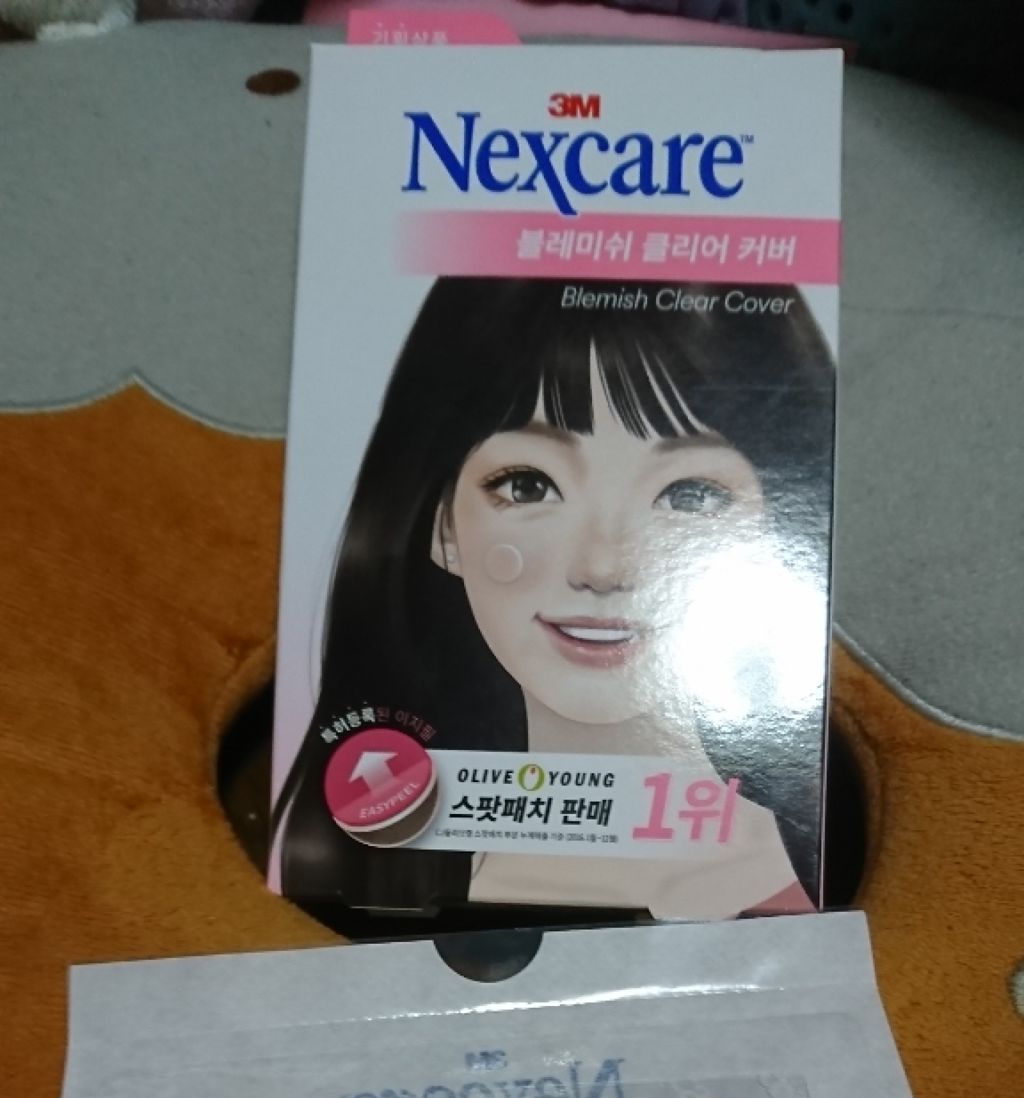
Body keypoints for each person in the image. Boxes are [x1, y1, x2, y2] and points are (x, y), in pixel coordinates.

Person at [273, 277, 835, 920]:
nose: (603, 567)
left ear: (778, 532)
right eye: (529, 485)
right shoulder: (359, 867)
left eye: (690, 495)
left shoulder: (801, 889)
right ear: (443, 526)